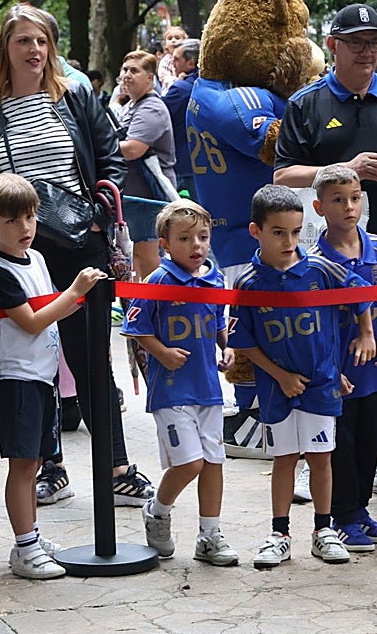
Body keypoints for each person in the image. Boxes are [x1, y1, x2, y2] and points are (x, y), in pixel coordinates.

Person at [0, 4, 152, 509]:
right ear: (5, 50)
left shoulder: (78, 98)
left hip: (79, 248)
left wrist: (96, 211)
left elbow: (110, 156)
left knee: (91, 361)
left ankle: (117, 466)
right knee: (34, 365)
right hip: (19, 257)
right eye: (23, 41)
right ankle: (51, 466)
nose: (34, 50)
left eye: (41, 40)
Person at [275, 2, 377, 499]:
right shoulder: (306, 104)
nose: (367, 51)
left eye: (374, 42)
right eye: (357, 42)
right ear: (333, 46)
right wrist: (344, 167)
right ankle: (309, 457)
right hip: (323, 258)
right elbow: (281, 175)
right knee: (321, 359)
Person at [229, 184, 375, 568]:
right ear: (256, 231)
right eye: (278, 232)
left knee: (321, 456)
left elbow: (361, 297)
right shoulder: (248, 283)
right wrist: (279, 375)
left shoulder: (322, 269)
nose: (289, 241)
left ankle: (323, 530)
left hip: (321, 386)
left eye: (295, 232)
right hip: (277, 391)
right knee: (285, 459)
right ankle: (279, 533)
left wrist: (366, 333)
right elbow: (243, 340)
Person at [0, 173, 107, 579]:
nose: (25, 228)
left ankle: (30, 535)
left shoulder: (37, 259)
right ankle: (25, 546)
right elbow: (32, 322)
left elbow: (53, 310)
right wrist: (76, 291)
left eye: (30, 216)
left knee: (34, 463)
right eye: (12, 220)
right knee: (22, 465)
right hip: (15, 379)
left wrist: (76, 299)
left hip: (42, 376)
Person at [121, 199, 240, 567]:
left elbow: (219, 323)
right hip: (172, 390)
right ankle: (157, 511)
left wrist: (227, 347)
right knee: (190, 463)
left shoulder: (213, 277)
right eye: (185, 238)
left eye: (203, 237)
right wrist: (162, 352)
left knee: (214, 461)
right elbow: (136, 328)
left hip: (208, 389)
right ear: (165, 244)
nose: (197, 246)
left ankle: (210, 535)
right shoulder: (158, 281)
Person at [309, 165, 377, 552]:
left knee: (369, 439)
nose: (349, 207)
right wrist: (329, 368)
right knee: (340, 445)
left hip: (376, 367)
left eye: (355, 197)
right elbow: (313, 322)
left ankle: (360, 511)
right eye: (338, 200)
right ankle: (342, 516)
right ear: (319, 206)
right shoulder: (313, 260)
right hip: (340, 370)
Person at [116, 50, 177, 280]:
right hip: (135, 194)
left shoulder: (151, 108)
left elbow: (133, 149)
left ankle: (157, 307)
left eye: (134, 70)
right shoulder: (130, 106)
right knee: (137, 256)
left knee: (148, 254)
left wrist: (99, 148)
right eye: (124, 70)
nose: (127, 75)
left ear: (150, 77)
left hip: (151, 195)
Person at [162, 38, 200, 200]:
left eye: (177, 59)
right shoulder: (212, 84)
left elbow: (160, 114)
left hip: (182, 162)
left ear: (191, 63)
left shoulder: (180, 89)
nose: (173, 63)